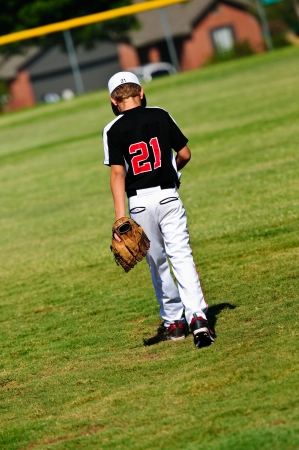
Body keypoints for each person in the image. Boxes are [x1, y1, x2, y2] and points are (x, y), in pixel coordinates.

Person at [102, 71, 214, 348]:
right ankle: (198, 319)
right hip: (168, 198)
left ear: (114, 100)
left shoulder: (112, 129)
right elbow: (185, 153)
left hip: (139, 204)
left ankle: (174, 323)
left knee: (157, 261)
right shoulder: (160, 114)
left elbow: (118, 174)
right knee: (181, 256)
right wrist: (173, 172)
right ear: (140, 92)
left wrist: (120, 219)